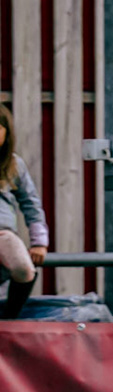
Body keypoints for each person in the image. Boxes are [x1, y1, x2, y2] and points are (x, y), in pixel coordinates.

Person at [0, 102, 48, 320]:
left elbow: (30, 202)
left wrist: (39, 241)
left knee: (24, 268)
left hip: (3, 233)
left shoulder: (13, 164)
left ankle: (10, 320)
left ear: (6, 134)